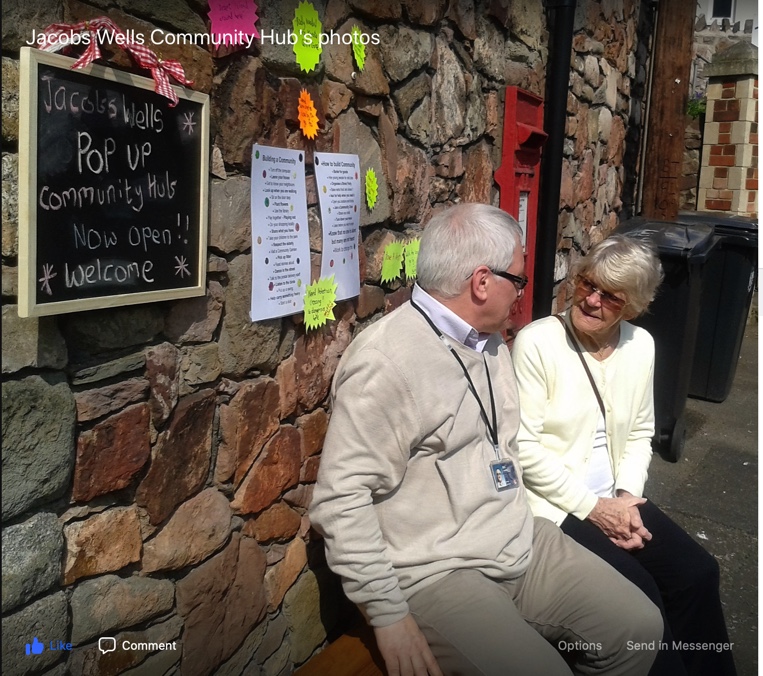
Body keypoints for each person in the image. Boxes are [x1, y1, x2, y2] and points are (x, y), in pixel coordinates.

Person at [309, 204, 662, 676]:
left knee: (640, 627)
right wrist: (388, 614)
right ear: (481, 282)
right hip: (438, 571)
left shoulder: (489, 339)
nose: (521, 294)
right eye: (517, 280)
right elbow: (340, 500)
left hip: (519, 539)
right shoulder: (386, 362)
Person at [511, 234, 737, 676]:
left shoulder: (641, 345)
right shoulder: (538, 343)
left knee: (697, 573)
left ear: (632, 306)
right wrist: (596, 509)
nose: (591, 300)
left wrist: (627, 496)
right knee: (644, 596)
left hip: (617, 499)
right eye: (586, 284)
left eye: (609, 296)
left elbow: (640, 431)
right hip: (558, 507)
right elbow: (524, 447)